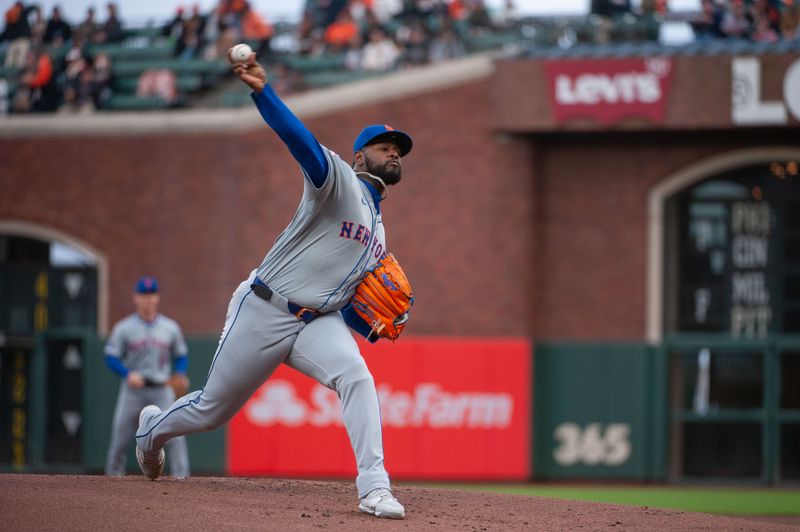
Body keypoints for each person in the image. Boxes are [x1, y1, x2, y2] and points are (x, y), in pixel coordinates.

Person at [134, 48, 411, 520]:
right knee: (212, 410)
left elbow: (344, 302)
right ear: (360, 155)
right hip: (264, 307)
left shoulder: (379, 234)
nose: (393, 153)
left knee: (357, 377)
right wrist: (262, 91)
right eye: (384, 146)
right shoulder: (338, 181)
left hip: (314, 321)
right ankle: (151, 433)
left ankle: (374, 487)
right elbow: (299, 140)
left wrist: (373, 323)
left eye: (398, 149)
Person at [105, 276, 191, 478]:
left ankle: (182, 477)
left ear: (157, 298)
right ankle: (111, 479)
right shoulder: (123, 328)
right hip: (133, 390)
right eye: (143, 294)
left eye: (151, 294)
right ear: (136, 298)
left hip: (162, 389)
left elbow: (181, 355)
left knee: (176, 436)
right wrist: (126, 373)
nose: (148, 299)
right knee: (119, 438)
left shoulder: (170, 327)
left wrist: (179, 373)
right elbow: (111, 357)